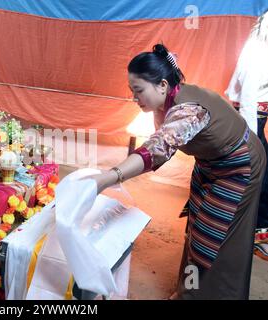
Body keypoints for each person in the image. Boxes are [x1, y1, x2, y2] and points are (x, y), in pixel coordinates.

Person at [87, 44, 266, 299]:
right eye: (132, 91)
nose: (134, 98)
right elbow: (158, 145)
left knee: (217, 236)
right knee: (196, 225)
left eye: (138, 91)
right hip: (209, 163)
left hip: (238, 164)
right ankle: (188, 291)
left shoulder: (189, 110)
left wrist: (107, 178)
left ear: (162, 84)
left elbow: (157, 149)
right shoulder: (163, 105)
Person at [226, 11, 268, 229]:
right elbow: (249, 96)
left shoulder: (260, 46)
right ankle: (257, 228)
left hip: (255, 116)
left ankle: (256, 226)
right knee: (259, 174)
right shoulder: (259, 51)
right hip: (250, 117)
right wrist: (250, 139)